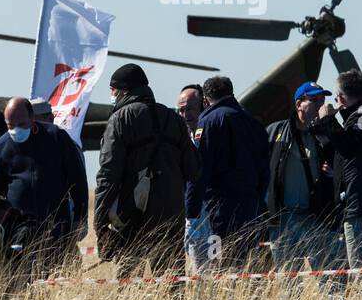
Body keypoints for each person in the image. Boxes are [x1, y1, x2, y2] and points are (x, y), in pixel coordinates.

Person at [94, 64, 200, 276]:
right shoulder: (174, 119)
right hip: (171, 216)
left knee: (128, 286)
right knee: (171, 285)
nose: (111, 95)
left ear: (123, 91)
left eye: (112, 90)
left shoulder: (119, 120)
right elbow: (194, 170)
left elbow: (108, 175)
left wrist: (99, 222)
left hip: (132, 216)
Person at [0, 97, 88, 275]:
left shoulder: (57, 138)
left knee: (60, 277)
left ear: (32, 117)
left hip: (57, 227)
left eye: (22, 123)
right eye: (11, 125)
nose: (17, 129)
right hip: (18, 232)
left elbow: (78, 181)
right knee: (20, 281)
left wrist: (80, 218)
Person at [188, 76, 270, 267]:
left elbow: (200, 168)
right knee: (245, 263)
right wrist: (257, 199)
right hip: (250, 206)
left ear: (205, 100)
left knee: (219, 264)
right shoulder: (254, 123)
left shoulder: (207, 122)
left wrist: (192, 209)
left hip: (218, 209)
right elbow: (264, 170)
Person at [312, 70, 362, 269]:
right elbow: (352, 152)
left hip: (360, 207)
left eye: (336, 97)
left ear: (342, 98)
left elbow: (350, 145)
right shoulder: (358, 117)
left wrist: (329, 119)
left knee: (361, 272)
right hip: (353, 206)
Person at [265, 82, 342, 270]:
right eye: (314, 100)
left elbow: (348, 164)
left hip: (319, 218)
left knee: (330, 279)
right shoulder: (275, 131)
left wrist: (334, 167)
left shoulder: (331, 132)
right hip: (283, 221)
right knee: (290, 285)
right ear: (299, 104)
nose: (320, 105)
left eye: (322, 101)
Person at [176, 84, 206, 270]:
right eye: (180, 110)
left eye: (190, 109)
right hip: (189, 215)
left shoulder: (210, 134)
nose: (185, 114)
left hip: (210, 212)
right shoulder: (178, 140)